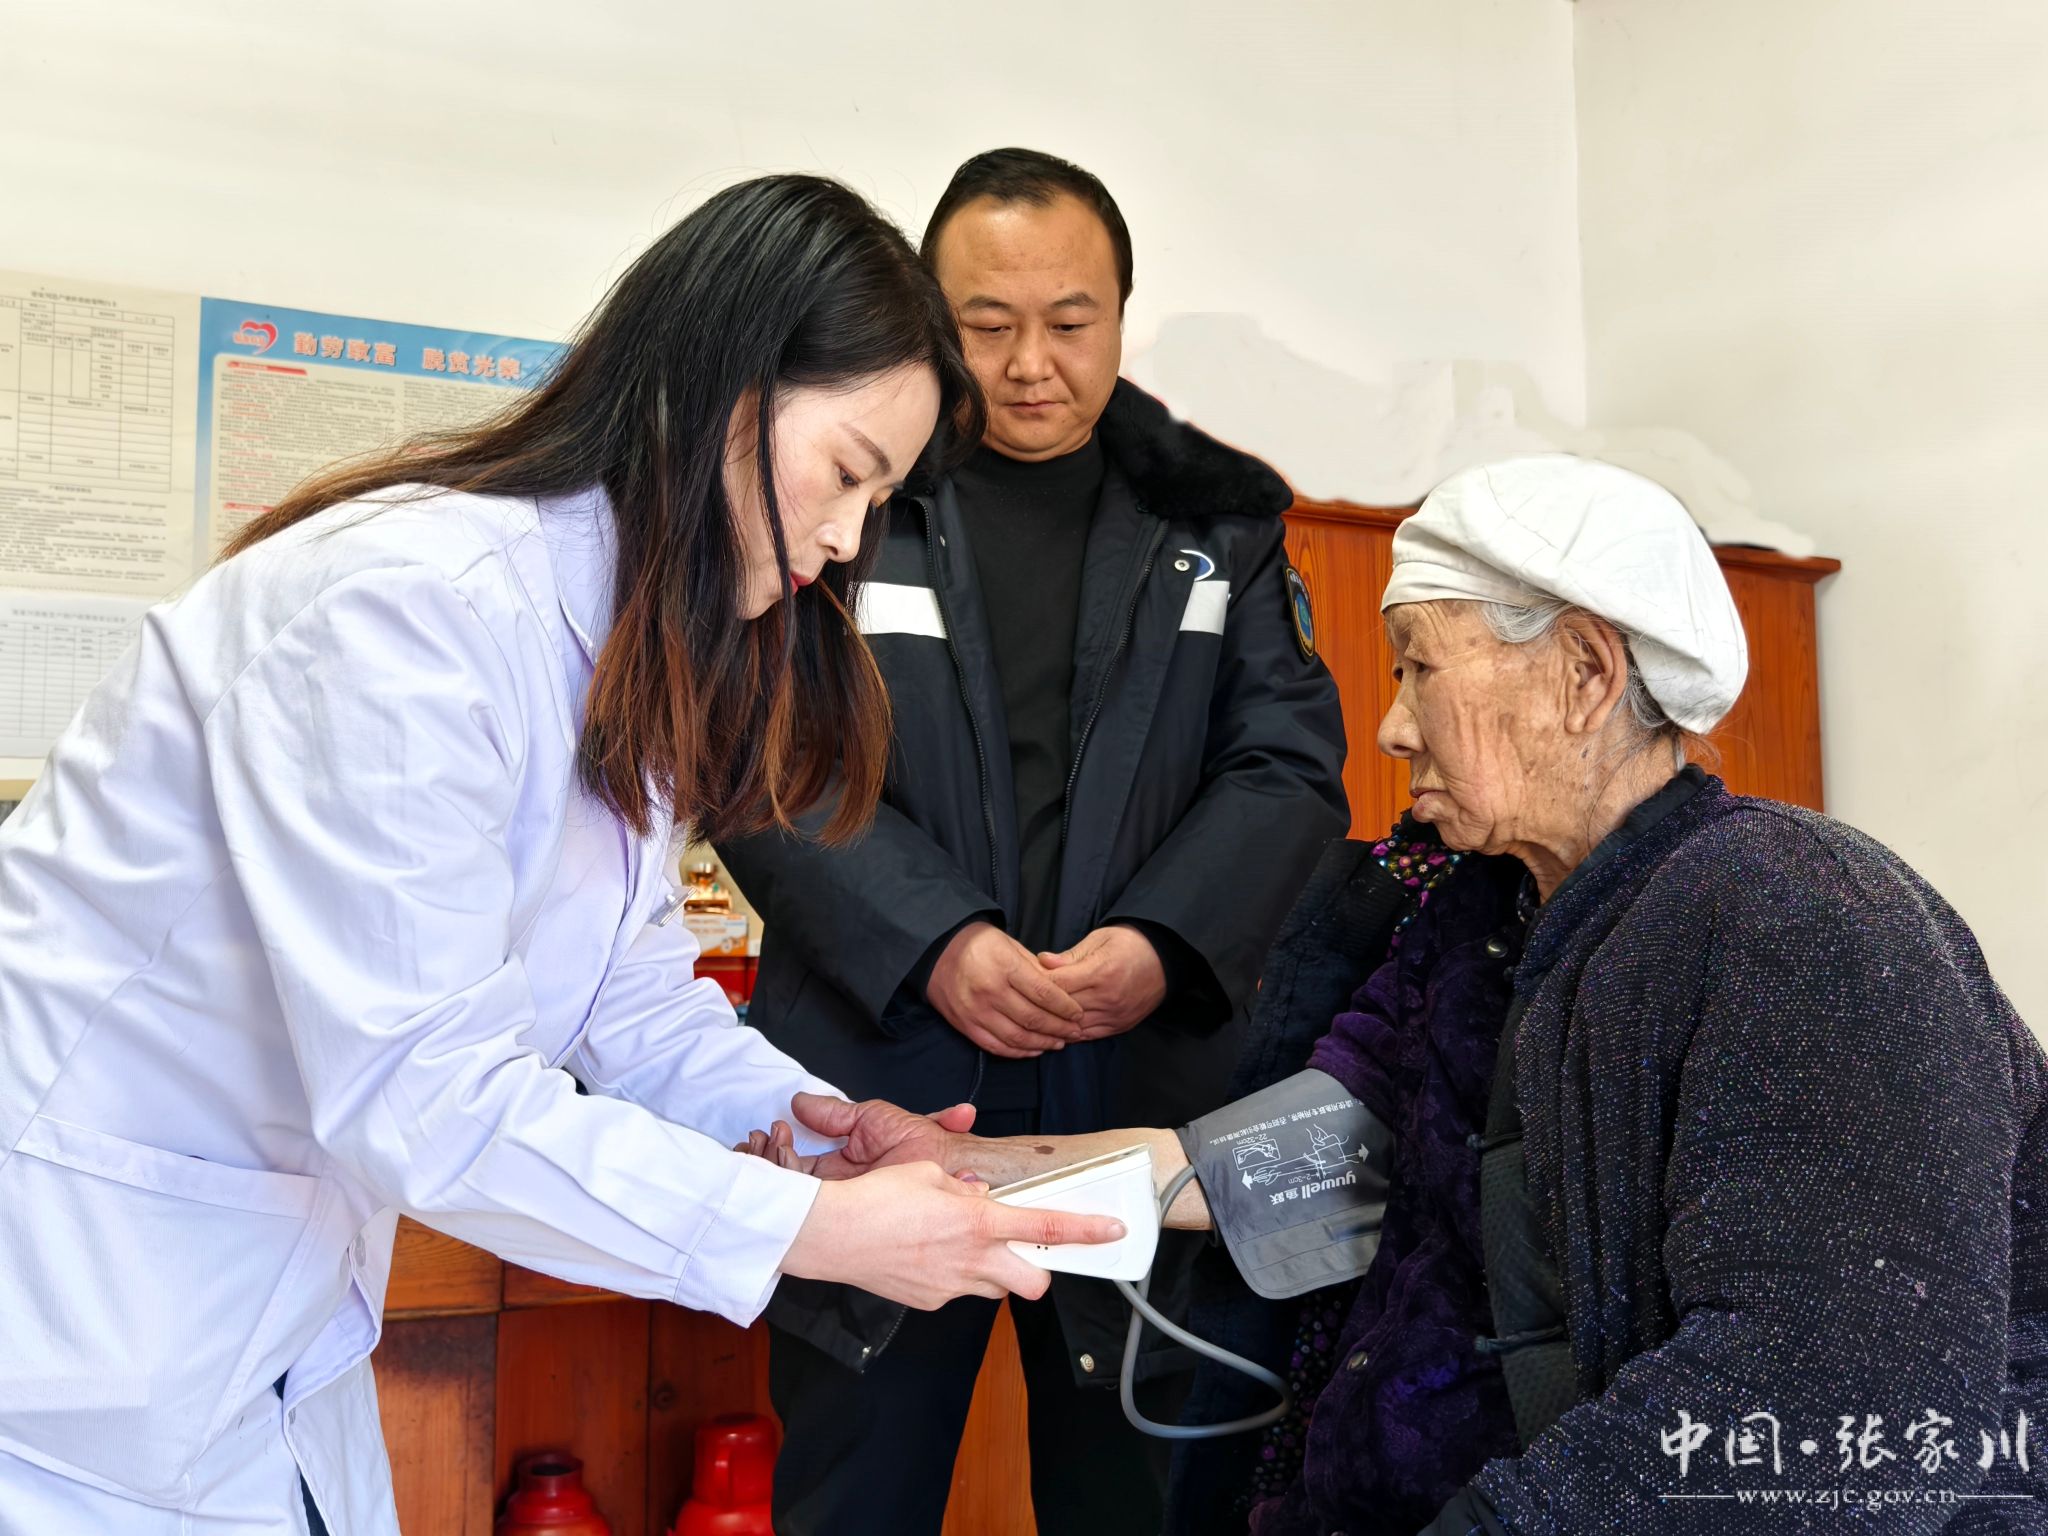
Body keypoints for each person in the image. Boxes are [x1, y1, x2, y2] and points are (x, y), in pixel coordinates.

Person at [0, 175, 1127, 1536]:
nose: (844, 541)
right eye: (844, 474)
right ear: (724, 392)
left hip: (249, 1329)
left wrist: (818, 1128)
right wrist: (812, 1233)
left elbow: (627, 999)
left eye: (876, 498)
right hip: (70, 1323)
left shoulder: (622, 635)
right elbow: (427, 1096)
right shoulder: (407, 614)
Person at [750, 455, 2048, 1532]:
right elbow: (1290, 1170)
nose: (1390, 728)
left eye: (1420, 668)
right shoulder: (1476, 924)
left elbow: (1825, 1408)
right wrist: (964, 1173)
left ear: (1586, 673)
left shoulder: (1803, 921)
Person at [717, 148, 1349, 1535]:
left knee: (1144, 1495)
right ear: (927, 319)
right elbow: (758, 757)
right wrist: (934, 941)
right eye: (985, 325)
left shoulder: (1218, 523)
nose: (1029, 366)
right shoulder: (852, 491)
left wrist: (1162, 942)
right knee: (854, 1497)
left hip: (1139, 1096)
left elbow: (1290, 768)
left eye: (1070, 322)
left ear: (1121, 313)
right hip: (887, 1093)